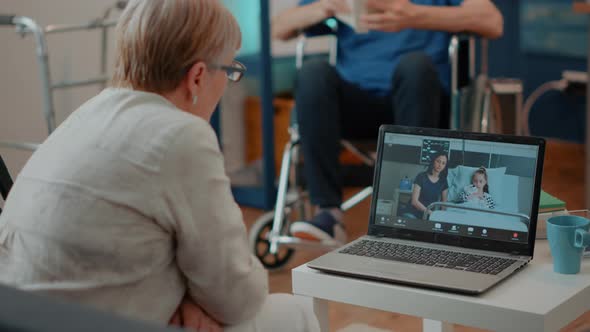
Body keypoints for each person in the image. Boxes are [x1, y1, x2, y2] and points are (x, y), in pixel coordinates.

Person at [0, 1, 319, 331]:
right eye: (229, 71)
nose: (228, 82)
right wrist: (197, 298)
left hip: (18, 317)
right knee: (297, 312)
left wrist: (186, 298)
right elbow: (239, 298)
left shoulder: (87, 115)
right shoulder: (180, 135)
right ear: (197, 77)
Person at [273, 0, 503, 244]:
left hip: (422, 104)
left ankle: (410, 213)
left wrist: (413, 15)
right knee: (312, 72)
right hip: (357, 108)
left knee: (415, 65)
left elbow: (492, 22)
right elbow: (280, 28)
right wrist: (329, 6)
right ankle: (328, 214)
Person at [407, 153, 449, 219]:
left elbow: (444, 204)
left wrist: (441, 217)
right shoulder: (421, 176)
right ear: (433, 161)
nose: (440, 165)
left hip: (428, 215)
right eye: (438, 161)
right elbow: (414, 201)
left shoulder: (443, 181)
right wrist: (430, 213)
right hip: (413, 212)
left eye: (443, 163)